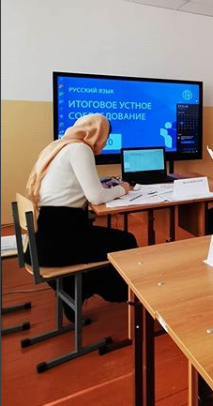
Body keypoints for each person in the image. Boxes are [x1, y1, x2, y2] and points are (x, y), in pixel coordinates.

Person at [26, 113, 138, 310]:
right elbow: (96, 197)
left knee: (110, 241)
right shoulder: (80, 149)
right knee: (126, 241)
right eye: (106, 138)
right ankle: (120, 294)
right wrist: (123, 188)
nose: (105, 144)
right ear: (97, 134)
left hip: (40, 240)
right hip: (58, 242)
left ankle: (76, 289)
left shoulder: (57, 146)